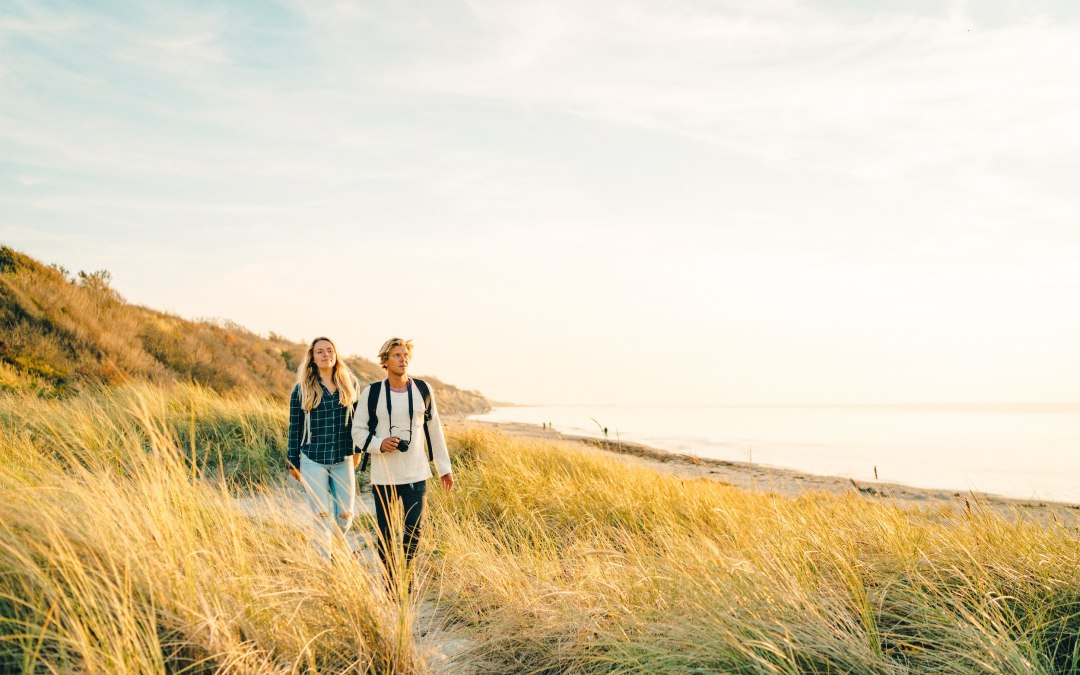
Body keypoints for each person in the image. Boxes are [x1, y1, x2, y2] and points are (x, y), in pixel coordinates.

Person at [352, 337, 453, 586]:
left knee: (413, 532)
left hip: (416, 474)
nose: (402, 358)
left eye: (405, 354)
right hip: (383, 474)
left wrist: (444, 468)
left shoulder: (423, 390)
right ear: (385, 361)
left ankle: (404, 576)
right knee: (386, 534)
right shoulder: (372, 392)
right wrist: (379, 444)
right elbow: (357, 431)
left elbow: (435, 430)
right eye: (396, 355)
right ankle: (389, 580)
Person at [287, 336, 360, 561]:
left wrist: (357, 452)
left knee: (344, 517)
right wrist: (293, 461)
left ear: (335, 354)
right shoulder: (302, 389)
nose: (326, 354)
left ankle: (337, 550)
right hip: (312, 459)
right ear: (312, 357)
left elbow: (358, 423)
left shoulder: (350, 384)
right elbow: (294, 427)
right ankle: (325, 562)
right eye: (320, 351)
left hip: (343, 457)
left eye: (329, 350)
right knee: (321, 515)